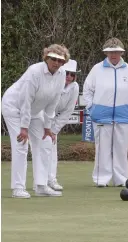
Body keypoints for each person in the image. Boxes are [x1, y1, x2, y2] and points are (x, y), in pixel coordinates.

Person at [1, 44, 69, 198]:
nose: (56, 63)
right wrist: (24, 128)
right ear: (47, 58)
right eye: (53, 59)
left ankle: (41, 185)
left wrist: (47, 127)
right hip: (14, 107)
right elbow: (26, 100)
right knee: (21, 144)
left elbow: (53, 103)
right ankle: (18, 188)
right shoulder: (34, 71)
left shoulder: (62, 74)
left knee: (45, 142)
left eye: (60, 61)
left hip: (35, 111)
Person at [83, 38, 128, 187]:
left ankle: (121, 179)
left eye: (116, 52)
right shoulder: (97, 69)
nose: (113, 54)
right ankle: (101, 179)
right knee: (102, 149)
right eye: (110, 52)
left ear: (121, 52)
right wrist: (91, 108)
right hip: (101, 116)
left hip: (125, 116)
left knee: (121, 149)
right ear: (105, 53)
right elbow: (87, 90)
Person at [46, 59, 80, 191]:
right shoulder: (52, 83)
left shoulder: (74, 87)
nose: (69, 77)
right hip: (39, 116)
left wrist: (54, 130)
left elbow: (68, 111)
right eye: (67, 73)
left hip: (53, 119)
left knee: (51, 147)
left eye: (72, 74)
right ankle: (40, 181)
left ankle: (51, 180)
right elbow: (44, 106)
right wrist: (47, 127)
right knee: (38, 149)